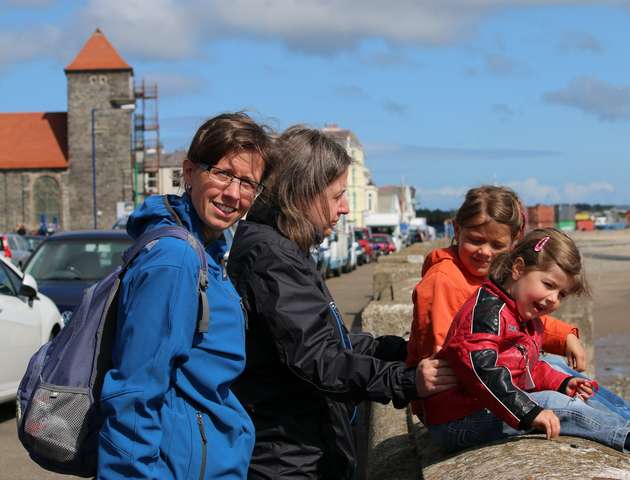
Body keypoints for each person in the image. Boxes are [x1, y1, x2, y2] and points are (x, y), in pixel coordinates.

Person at [227, 126, 458, 480]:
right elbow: (316, 359)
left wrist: (402, 350)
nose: (346, 208)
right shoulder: (271, 257)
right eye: (336, 196)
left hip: (295, 448)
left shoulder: (282, 248)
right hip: (286, 458)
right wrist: (407, 381)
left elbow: (328, 341)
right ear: (302, 192)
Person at [430, 228, 630, 466]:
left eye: (561, 294)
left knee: (571, 381)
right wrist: (530, 412)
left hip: (486, 407)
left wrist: (563, 382)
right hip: (460, 421)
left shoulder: (523, 314)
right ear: (517, 269)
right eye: (548, 285)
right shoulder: (487, 313)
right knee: (552, 403)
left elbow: (529, 366)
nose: (552, 299)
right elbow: (483, 371)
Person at [97, 112, 272, 478]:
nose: (233, 194)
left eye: (247, 183)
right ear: (189, 172)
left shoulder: (205, 251)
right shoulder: (175, 260)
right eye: (223, 173)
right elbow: (134, 391)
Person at [407, 186, 592, 421]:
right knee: (556, 387)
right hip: (461, 401)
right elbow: (449, 354)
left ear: (513, 245)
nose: (485, 252)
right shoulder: (444, 280)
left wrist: (565, 336)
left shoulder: (491, 275)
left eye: (496, 246)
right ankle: (628, 432)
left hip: (487, 382)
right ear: (457, 229)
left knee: (562, 371)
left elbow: (516, 321)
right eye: (476, 241)